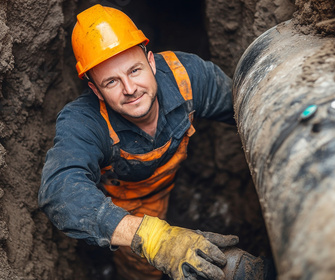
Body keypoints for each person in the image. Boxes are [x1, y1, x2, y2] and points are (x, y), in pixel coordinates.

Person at [39, 4, 239, 280]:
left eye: (134, 70)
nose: (130, 89)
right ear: (95, 89)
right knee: (142, 270)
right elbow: (60, 191)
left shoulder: (186, 76)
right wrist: (151, 237)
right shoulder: (85, 121)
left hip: (171, 184)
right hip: (127, 211)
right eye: (111, 82)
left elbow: (244, 109)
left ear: (151, 61)